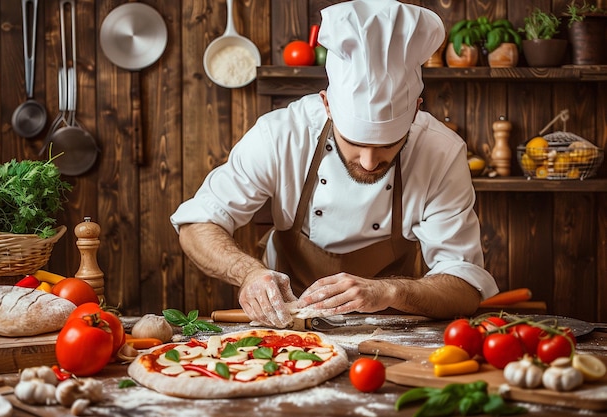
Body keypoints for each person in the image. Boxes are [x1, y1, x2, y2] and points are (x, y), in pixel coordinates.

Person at [171, 0, 499, 328]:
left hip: (390, 324)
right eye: (355, 143)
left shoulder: (441, 152)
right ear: (326, 104)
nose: (370, 163)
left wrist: (388, 291)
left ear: (415, 111)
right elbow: (197, 224)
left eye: (388, 145)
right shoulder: (281, 134)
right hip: (286, 323)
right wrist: (250, 274)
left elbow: (464, 285)